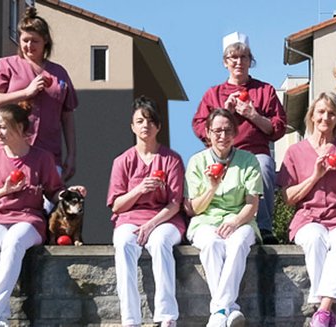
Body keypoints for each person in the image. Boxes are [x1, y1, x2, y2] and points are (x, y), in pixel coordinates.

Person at [0, 104, 87, 327]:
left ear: (21, 128)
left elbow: (54, 192)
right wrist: (4, 191)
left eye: (3, 127)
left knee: (14, 242)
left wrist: (70, 194)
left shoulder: (42, 158)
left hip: (29, 219)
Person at [189, 32, 287, 242]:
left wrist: (252, 115)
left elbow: (278, 128)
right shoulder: (213, 94)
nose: (238, 62)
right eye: (233, 57)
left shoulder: (265, 90)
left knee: (265, 166)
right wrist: (224, 114)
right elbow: (199, 126)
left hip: (254, 151)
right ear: (225, 62)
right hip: (221, 154)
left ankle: (263, 227)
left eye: (243, 57)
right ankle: (210, 222)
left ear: (251, 61)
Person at [279, 92, 336, 326]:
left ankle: (322, 309)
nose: (326, 117)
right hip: (307, 219)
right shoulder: (295, 152)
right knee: (315, 239)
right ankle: (326, 313)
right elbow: (288, 198)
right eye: (321, 111)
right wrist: (315, 176)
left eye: (332, 113)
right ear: (312, 116)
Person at [107, 97, 186, 327]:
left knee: (160, 243)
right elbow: (116, 205)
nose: (145, 125)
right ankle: (130, 319)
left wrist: (151, 225)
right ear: (132, 126)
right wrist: (139, 190)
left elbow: (175, 204)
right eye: (140, 121)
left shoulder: (172, 160)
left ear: (159, 126)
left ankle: (167, 316)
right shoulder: (122, 161)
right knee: (123, 244)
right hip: (130, 218)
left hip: (165, 219)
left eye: (151, 121)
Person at [187, 109, 264, 327]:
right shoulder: (197, 162)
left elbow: (252, 203)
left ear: (235, 132)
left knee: (238, 243)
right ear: (208, 133)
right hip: (206, 220)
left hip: (241, 219)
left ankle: (219, 310)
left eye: (228, 130)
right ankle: (230, 309)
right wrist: (211, 188)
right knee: (212, 245)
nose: (223, 135)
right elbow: (194, 208)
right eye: (217, 130)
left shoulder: (248, 161)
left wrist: (235, 221)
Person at [0, 6, 79, 180]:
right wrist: (26, 92)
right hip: (7, 152)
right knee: (8, 202)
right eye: (25, 40)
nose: (29, 46)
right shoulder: (6, 65)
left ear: (45, 41)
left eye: (35, 41)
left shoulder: (59, 73)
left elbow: (67, 117)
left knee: (47, 204)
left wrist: (71, 154)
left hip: (47, 151)